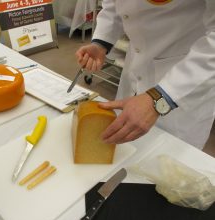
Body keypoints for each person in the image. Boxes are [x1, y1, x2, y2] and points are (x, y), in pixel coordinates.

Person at [75, 0, 215, 150]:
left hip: (185, 82)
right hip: (136, 67)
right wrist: (101, 42)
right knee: (123, 152)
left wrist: (160, 98)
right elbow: (114, 4)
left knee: (167, 163)